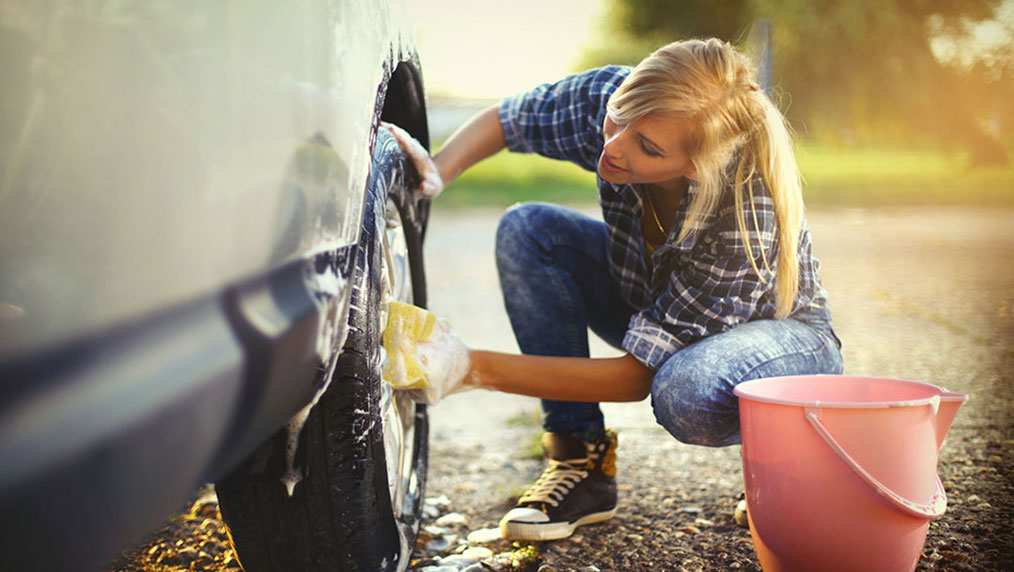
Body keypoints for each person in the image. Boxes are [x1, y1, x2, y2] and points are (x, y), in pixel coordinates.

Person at [384, 37, 843, 542]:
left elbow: (634, 378)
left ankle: (794, 450)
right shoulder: (617, 101)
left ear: (694, 165)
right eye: (618, 118)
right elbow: (508, 121)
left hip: (784, 342)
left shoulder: (744, 214)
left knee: (683, 391)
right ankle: (580, 461)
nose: (614, 146)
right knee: (528, 230)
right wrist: (437, 171)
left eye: (647, 147)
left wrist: (471, 367)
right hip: (653, 293)